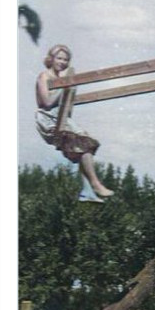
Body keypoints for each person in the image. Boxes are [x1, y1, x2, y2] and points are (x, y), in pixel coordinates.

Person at [35, 45, 114, 202]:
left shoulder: (61, 79)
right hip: (48, 118)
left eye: (66, 59)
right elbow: (47, 101)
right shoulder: (44, 76)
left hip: (61, 117)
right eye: (59, 58)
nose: (63, 62)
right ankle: (95, 185)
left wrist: (67, 88)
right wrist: (64, 87)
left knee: (84, 148)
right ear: (51, 59)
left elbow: (65, 104)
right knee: (83, 143)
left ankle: (88, 191)